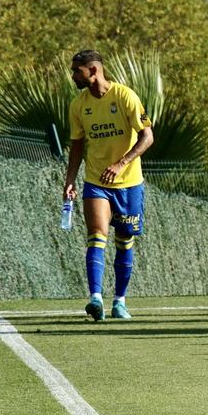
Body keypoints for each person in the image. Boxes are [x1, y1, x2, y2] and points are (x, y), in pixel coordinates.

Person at [62, 49, 155, 322]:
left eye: (77, 71)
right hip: (96, 182)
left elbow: (147, 137)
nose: (73, 76)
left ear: (93, 70)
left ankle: (119, 302)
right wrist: (69, 181)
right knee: (96, 236)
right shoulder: (78, 105)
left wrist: (121, 163)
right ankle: (95, 299)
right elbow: (77, 146)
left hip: (129, 184)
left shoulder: (125, 96)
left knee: (124, 240)